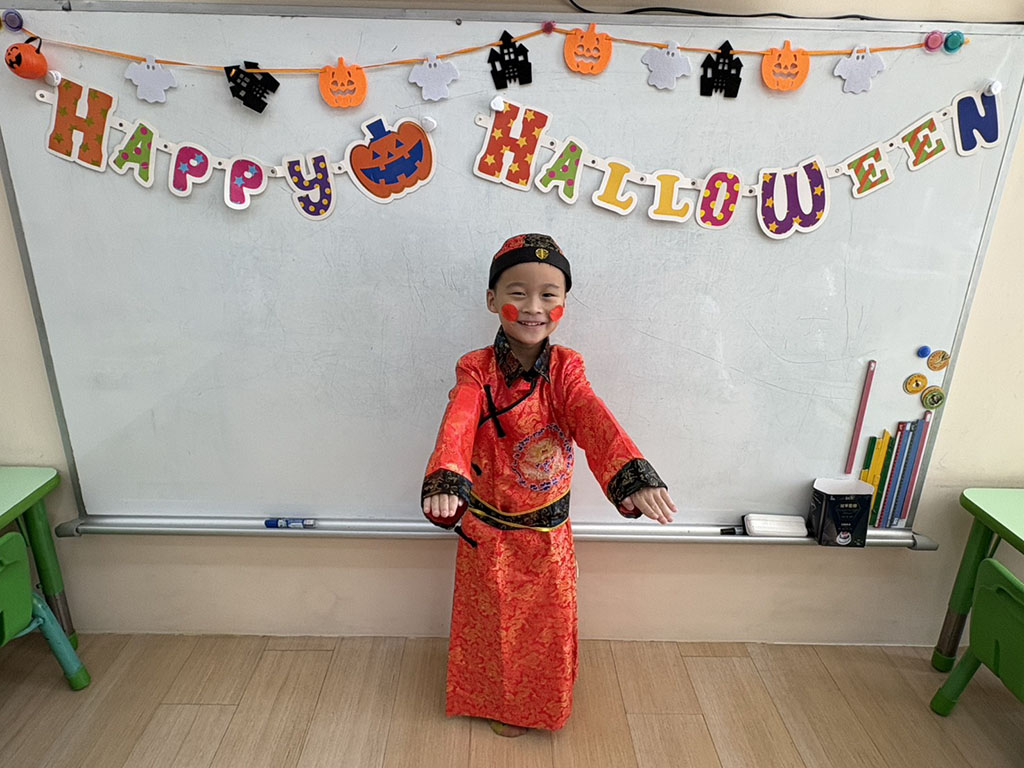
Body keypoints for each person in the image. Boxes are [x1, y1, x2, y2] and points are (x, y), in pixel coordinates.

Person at [421, 233, 677, 737]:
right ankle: (496, 704)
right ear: (492, 299)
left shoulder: (566, 370)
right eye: (517, 293)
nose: (533, 307)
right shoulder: (475, 370)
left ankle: (538, 706)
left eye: (548, 295)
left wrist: (628, 472)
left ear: (563, 303)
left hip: (547, 537)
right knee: (491, 623)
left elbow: (591, 414)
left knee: (547, 624)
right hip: (488, 532)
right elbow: (460, 418)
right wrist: (447, 473)